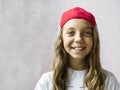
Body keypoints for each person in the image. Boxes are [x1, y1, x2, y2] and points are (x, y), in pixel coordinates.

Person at [34, 7, 120, 90]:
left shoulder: (108, 81)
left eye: (86, 33)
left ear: (94, 39)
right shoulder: (47, 81)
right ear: (61, 39)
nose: (78, 39)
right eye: (71, 33)